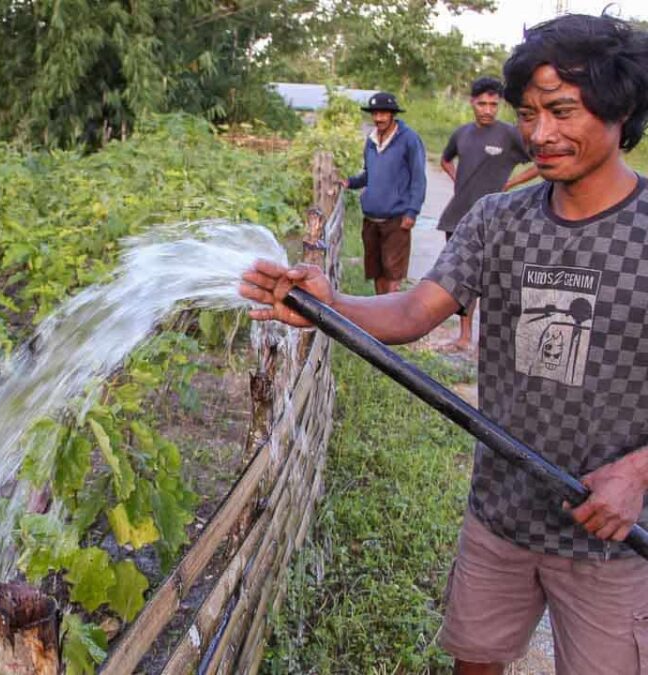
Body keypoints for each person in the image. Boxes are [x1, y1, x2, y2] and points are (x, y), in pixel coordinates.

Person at [241, 14, 648, 675]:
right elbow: (413, 309)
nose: (540, 133)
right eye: (528, 112)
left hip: (611, 537)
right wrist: (328, 304)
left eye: (563, 110)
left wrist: (638, 471)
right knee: (475, 660)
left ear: (620, 107)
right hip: (500, 514)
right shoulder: (499, 219)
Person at [436, 76, 540, 352]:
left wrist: (512, 184)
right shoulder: (461, 133)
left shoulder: (510, 135)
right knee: (462, 278)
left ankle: (495, 341)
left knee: (496, 280)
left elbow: (540, 160)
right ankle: (464, 335)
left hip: (497, 219)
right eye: (482, 103)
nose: (487, 110)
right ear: (472, 103)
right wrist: (458, 180)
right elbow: (445, 159)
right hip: (458, 215)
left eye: (493, 104)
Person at [341, 92, 427, 295]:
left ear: (392, 115)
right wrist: (350, 182)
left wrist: (412, 211)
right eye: (375, 114)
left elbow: (418, 178)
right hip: (371, 218)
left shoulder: (409, 139)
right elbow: (369, 174)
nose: (378, 118)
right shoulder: (371, 141)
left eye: (383, 114)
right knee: (376, 271)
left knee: (393, 274)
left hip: (396, 219)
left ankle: (391, 319)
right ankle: (380, 313)